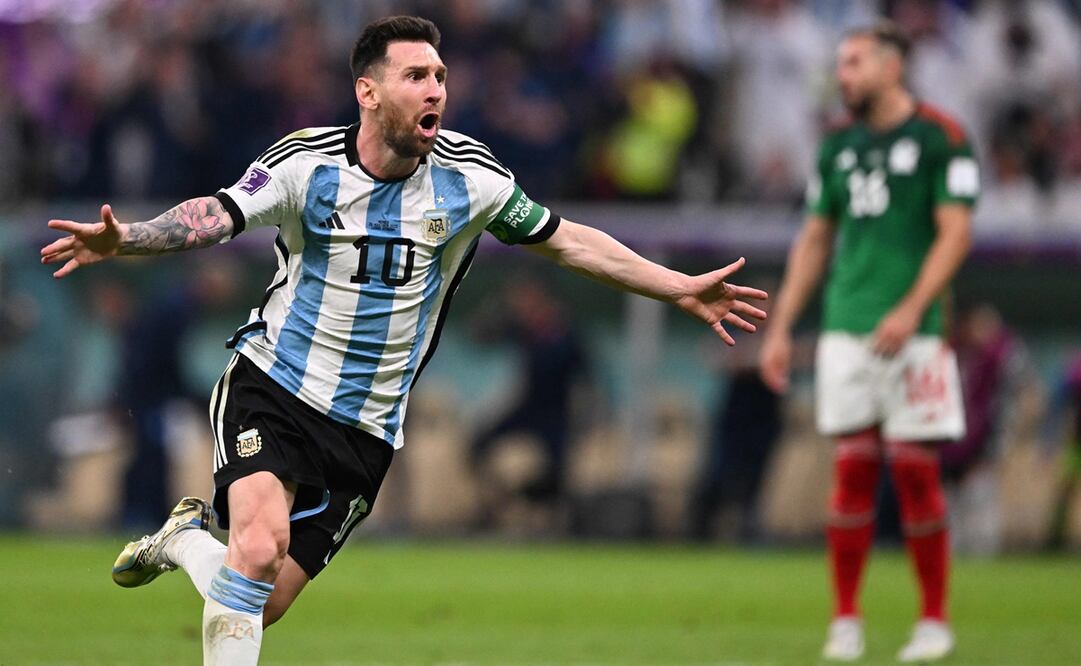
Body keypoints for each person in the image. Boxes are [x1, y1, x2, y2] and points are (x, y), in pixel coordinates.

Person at [40, 16, 767, 665]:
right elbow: (216, 214)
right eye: (416, 75)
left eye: (440, 76)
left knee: (260, 601)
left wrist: (676, 286)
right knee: (257, 551)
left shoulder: (471, 180)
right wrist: (129, 238)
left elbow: (567, 240)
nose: (436, 90)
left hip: (367, 425)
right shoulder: (306, 164)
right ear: (368, 91)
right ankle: (210, 548)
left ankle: (184, 539)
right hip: (274, 383)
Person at [759, 22, 977, 663]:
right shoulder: (837, 146)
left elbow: (956, 234)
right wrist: (781, 326)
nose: (842, 76)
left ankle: (933, 621)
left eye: (853, 63)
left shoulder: (941, 138)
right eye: (841, 64)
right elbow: (814, 239)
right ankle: (846, 620)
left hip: (917, 336)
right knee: (851, 473)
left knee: (915, 473)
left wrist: (912, 308)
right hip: (845, 328)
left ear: (892, 66)